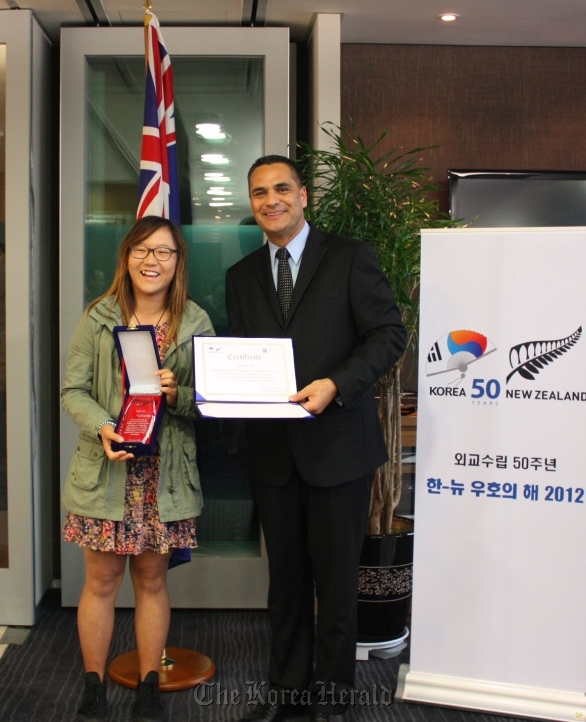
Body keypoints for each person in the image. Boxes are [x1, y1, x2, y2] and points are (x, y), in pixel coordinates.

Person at [225, 156, 407, 722]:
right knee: (285, 584)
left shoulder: (350, 258)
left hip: (339, 451)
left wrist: (337, 383)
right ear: (252, 203)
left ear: (304, 196)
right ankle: (286, 692)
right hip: (274, 456)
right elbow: (242, 356)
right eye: (259, 192)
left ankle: (332, 697)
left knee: (334, 583)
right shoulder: (242, 275)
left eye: (282, 188)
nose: (271, 199)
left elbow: (389, 334)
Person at [62, 216, 214, 722]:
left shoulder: (196, 322)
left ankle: (149, 685)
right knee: (101, 583)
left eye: (164, 252)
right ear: (127, 257)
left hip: (164, 476)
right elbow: (73, 391)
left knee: (152, 582)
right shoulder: (100, 315)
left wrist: (180, 394)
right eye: (142, 250)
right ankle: (93, 685)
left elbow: (212, 402)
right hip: (108, 470)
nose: (152, 261)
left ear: (178, 262)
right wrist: (103, 425)